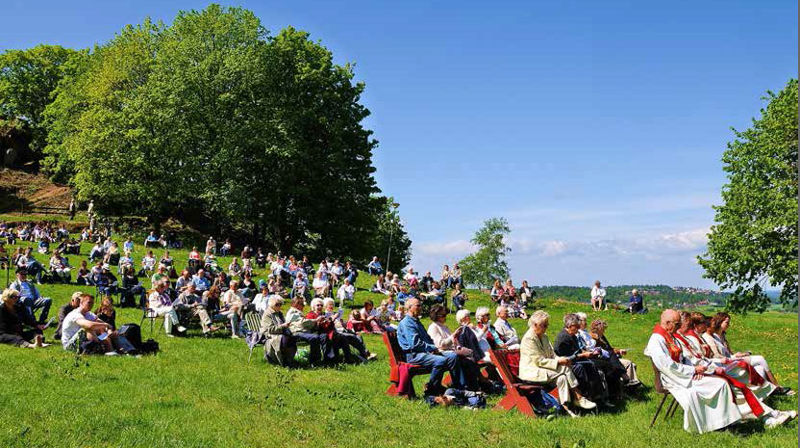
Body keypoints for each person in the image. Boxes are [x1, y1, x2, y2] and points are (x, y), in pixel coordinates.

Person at [645, 309, 794, 433]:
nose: (678, 328)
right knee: (724, 384)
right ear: (668, 322)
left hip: (684, 375)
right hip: (675, 380)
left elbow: (684, 360)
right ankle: (727, 421)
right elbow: (667, 366)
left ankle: (766, 415)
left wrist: (700, 368)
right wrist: (693, 371)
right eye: (677, 324)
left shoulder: (669, 336)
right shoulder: (657, 340)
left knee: (729, 383)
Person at [518, 310, 595, 415]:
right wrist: (559, 362)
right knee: (565, 369)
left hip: (542, 369)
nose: (547, 327)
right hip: (531, 371)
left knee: (562, 378)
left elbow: (552, 355)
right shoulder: (529, 339)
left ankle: (566, 409)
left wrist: (561, 359)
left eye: (547, 325)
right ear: (535, 325)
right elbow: (538, 361)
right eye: (544, 325)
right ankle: (579, 397)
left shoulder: (544, 337)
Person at [704, 312, 792, 396]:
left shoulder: (720, 335)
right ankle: (776, 387)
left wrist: (738, 354)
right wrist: (734, 356)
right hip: (727, 362)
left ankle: (767, 391)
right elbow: (718, 355)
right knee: (760, 359)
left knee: (760, 368)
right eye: (726, 322)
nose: (728, 325)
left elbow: (728, 352)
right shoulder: (711, 337)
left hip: (730, 359)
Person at [397, 298, 465, 395]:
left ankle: (459, 388)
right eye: (418, 305)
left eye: (420, 305)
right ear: (409, 307)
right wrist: (433, 348)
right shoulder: (407, 323)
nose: (420, 308)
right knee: (440, 361)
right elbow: (415, 344)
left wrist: (433, 348)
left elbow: (428, 339)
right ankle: (432, 389)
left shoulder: (416, 321)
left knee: (453, 357)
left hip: (423, 353)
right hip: (414, 355)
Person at [554, 313, 611, 406]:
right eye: (577, 326)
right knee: (584, 366)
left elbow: (577, 352)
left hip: (574, 360)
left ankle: (597, 397)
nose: (578, 327)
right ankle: (586, 396)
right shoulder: (564, 337)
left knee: (591, 364)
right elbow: (566, 357)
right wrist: (583, 354)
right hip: (566, 364)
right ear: (571, 326)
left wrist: (585, 354)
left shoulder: (571, 335)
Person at [590, 319, 640, 387]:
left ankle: (631, 383)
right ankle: (625, 377)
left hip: (612, 358)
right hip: (604, 359)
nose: (604, 331)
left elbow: (610, 348)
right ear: (598, 329)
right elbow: (602, 351)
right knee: (622, 361)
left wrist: (619, 351)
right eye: (603, 329)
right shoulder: (592, 338)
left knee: (629, 363)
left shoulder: (602, 336)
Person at [285, 296, 328, 365]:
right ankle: (314, 361)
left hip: (303, 331)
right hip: (296, 333)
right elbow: (303, 323)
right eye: (302, 304)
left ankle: (325, 359)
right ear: (297, 304)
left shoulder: (297, 312)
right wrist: (316, 320)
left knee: (322, 336)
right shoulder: (293, 312)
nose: (303, 306)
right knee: (314, 337)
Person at [259, 296, 297, 366]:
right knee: (286, 339)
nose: (279, 306)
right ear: (271, 305)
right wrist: (283, 326)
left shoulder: (279, 313)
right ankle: (284, 362)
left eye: (280, 304)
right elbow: (269, 329)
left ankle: (290, 360)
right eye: (277, 304)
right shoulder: (267, 314)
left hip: (281, 332)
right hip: (270, 334)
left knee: (293, 338)